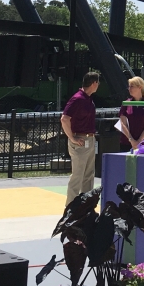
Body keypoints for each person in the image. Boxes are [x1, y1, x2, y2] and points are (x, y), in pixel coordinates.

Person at [61, 71, 99, 205]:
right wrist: (72, 138)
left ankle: (86, 207)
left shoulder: (88, 98)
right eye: (98, 83)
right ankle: (70, 208)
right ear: (94, 83)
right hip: (80, 140)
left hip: (90, 140)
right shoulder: (77, 99)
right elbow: (64, 119)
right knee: (78, 175)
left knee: (89, 176)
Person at [118, 75, 144, 151]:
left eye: (132, 86)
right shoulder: (126, 103)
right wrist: (132, 140)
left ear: (140, 87)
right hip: (126, 143)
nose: (129, 89)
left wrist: (139, 141)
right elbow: (123, 124)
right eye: (129, 86)